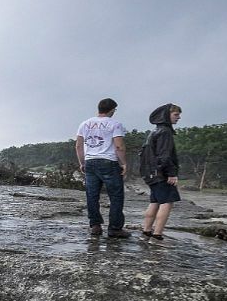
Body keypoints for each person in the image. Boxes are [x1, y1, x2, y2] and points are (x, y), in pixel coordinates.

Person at [76, 98, 130, 237]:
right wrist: (123, 163)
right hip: (108, 162)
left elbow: (78, 145)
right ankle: (115, 228)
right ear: (112, 110)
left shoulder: (85, 123)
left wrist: (82, 163)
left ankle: (95, 226)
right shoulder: (115, 124)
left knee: (92, 196)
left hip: (90, 162)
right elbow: (119, 146)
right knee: (116, 196)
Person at [140, 103, 182, 240]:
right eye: (176, 115)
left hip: (151, 173)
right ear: (166, 115)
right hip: (161, 174)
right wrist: (171, 173)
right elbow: (165, 155)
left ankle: (146, 230)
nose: (178, 118)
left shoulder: (154, 131)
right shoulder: (165, 132)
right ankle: (158, 233)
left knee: (155, 202)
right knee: (167, 202)